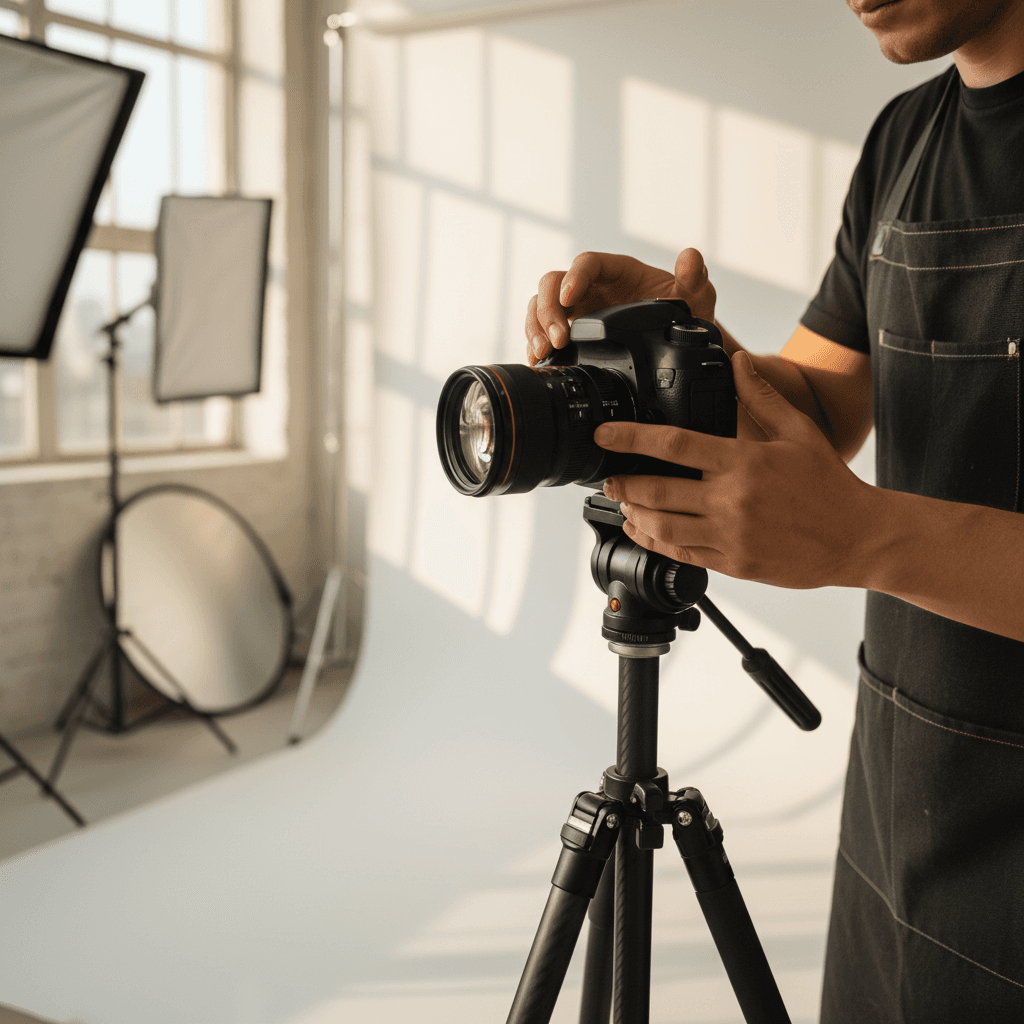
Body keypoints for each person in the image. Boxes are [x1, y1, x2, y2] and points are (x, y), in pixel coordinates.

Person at [525, 0, 1024, 1019]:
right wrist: (689, 353)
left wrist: (865, 536)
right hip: (903, 802)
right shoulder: (903, 141)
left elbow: (847, 506)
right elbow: (821, 404)